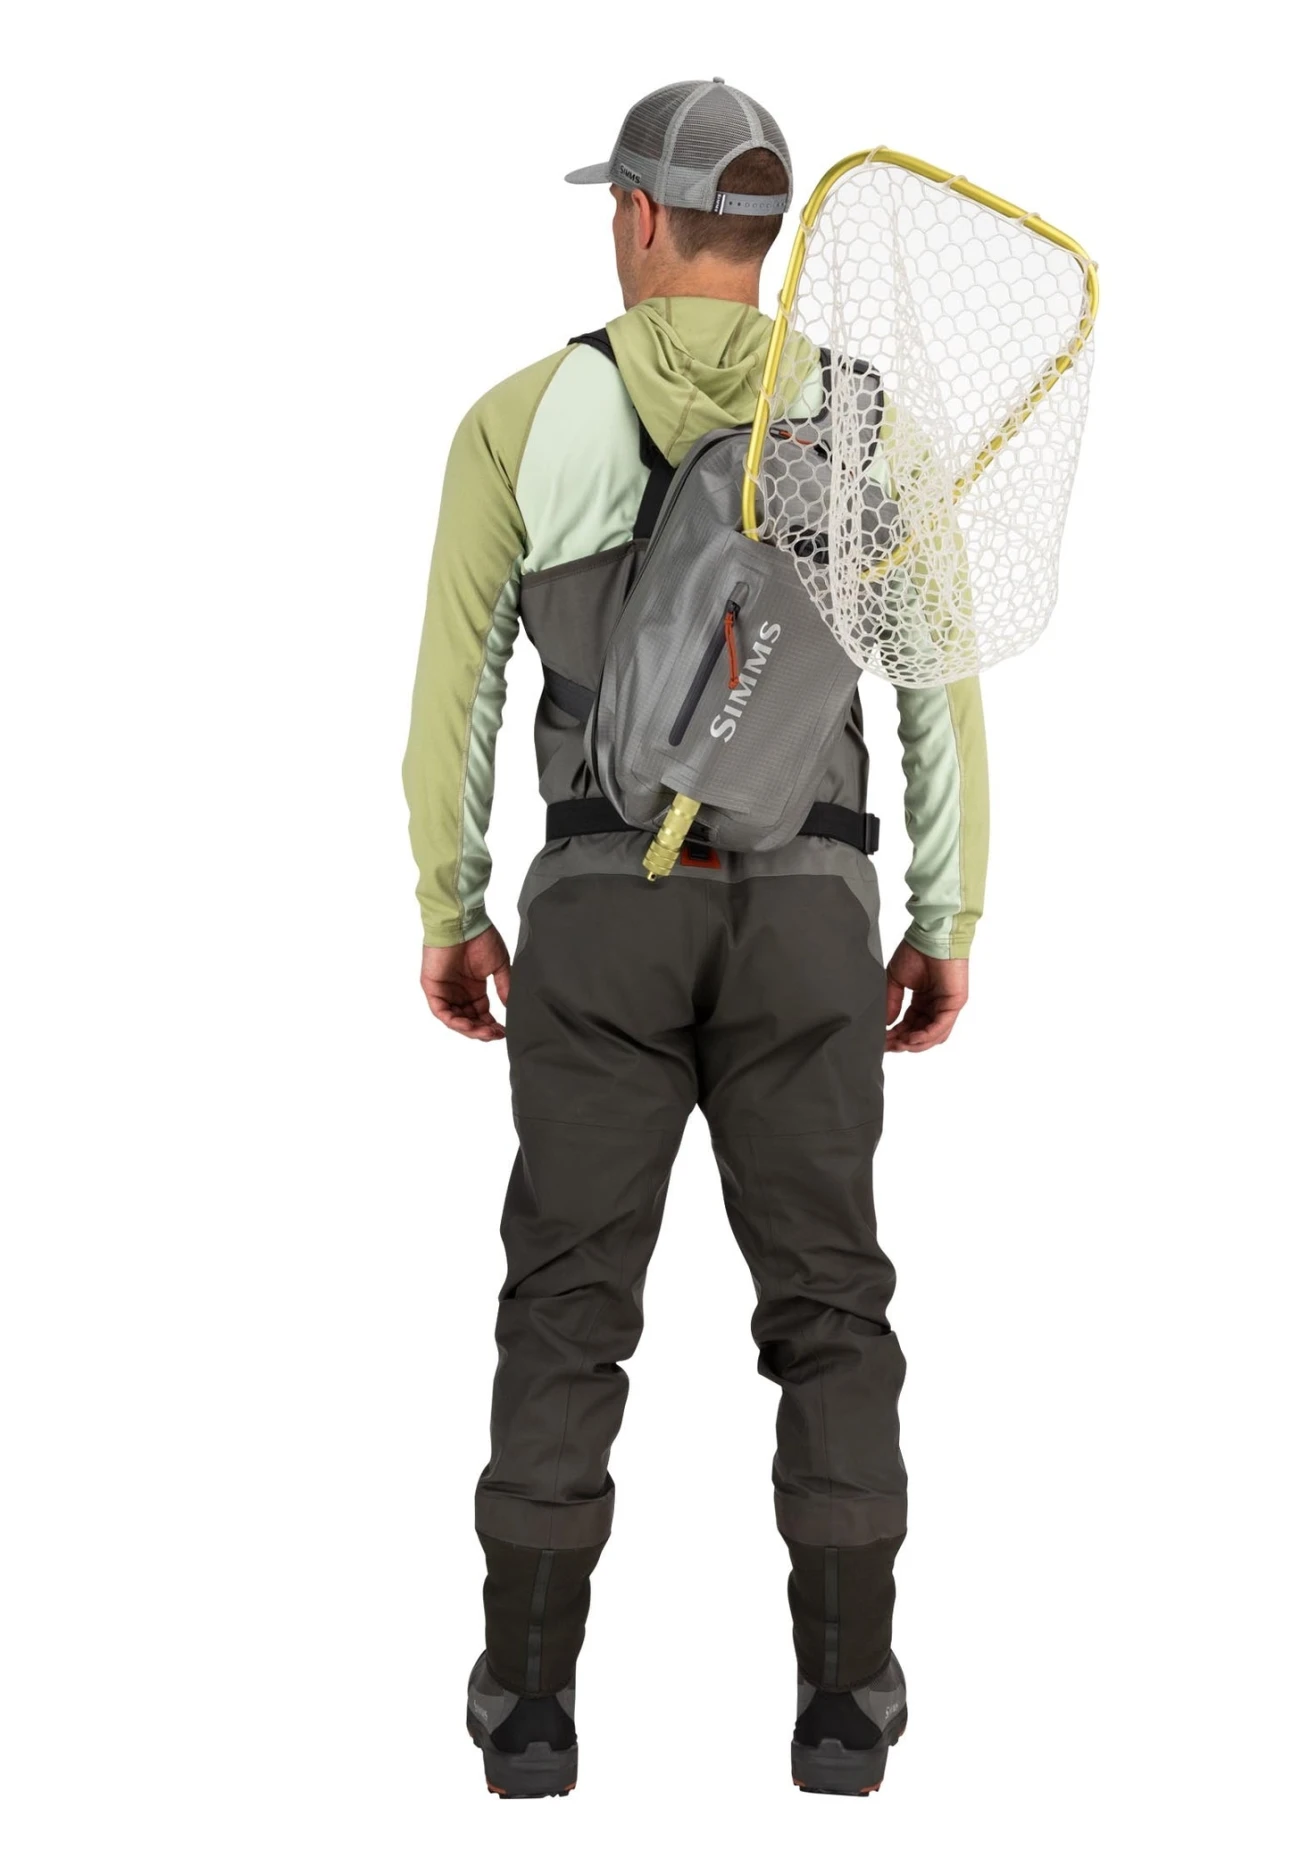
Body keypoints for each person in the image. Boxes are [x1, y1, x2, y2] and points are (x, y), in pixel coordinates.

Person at [402, 79, 988, 1799]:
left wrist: (450, 903)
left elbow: (453, 697)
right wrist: (946, 913)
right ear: (766, 230)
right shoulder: (864, 425)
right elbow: (938, 696)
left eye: (618, 205)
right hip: (812, 914)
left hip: (598, 915)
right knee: (831, 1303)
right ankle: (847, 1701)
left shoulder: (520, 420)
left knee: (567, 1303)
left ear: (644, 219)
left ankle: (527, 1704)